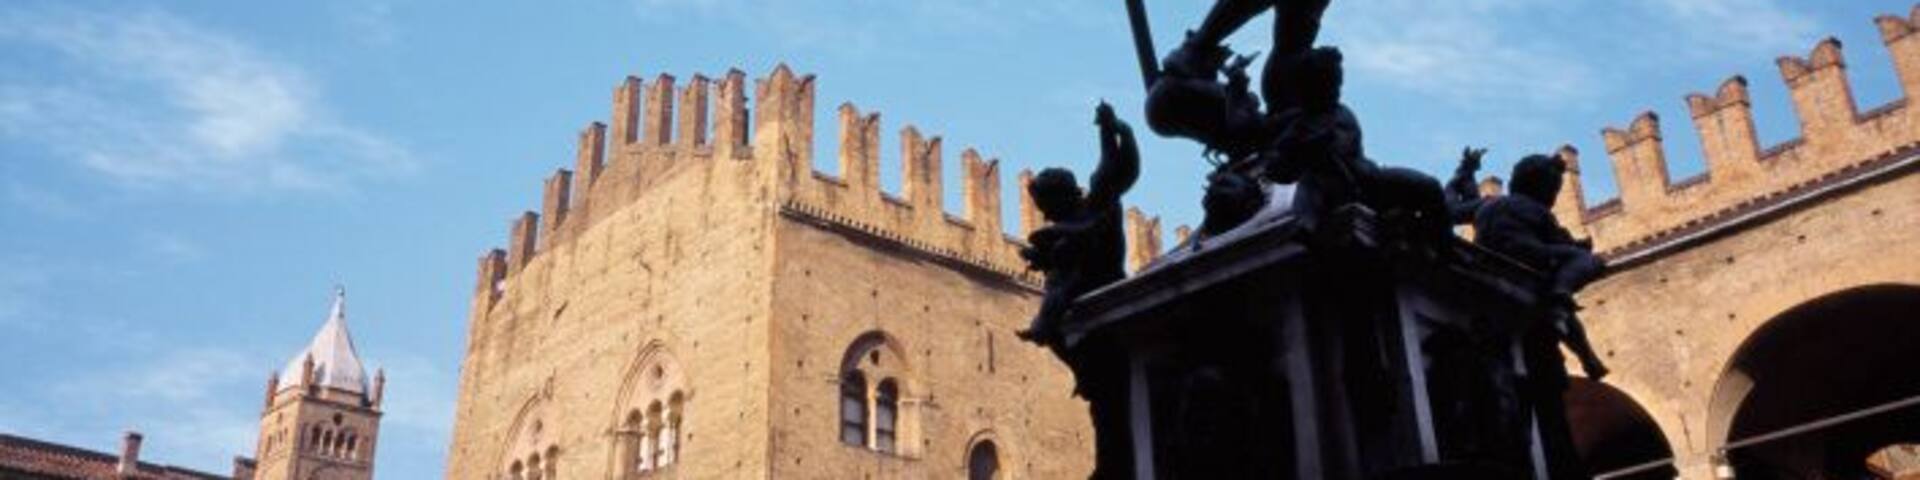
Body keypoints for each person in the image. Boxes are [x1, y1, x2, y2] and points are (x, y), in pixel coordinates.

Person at [1017, 102, 1141, 480]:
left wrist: (1115, 129)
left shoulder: (1097, 205)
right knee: (1105, 403)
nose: (1044, 215)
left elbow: (1119, 168)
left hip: (1106, 307)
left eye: (1046, 206)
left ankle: (1116, 468)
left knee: (1111, 402)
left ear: (1062, 195)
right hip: (1084, 322)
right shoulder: (1065, 227)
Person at [1473, 154, 1610, 480]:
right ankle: (1566, 299)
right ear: (1542, 187)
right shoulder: (1536, 211)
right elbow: (1559, 244)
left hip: (1493, 280)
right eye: (1554, 189)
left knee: (1517, 415)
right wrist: (1575, 248)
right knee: (1589, 262)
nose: (1555, 197)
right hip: (1530, 272)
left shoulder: (1488, 207)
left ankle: (1586, 352)